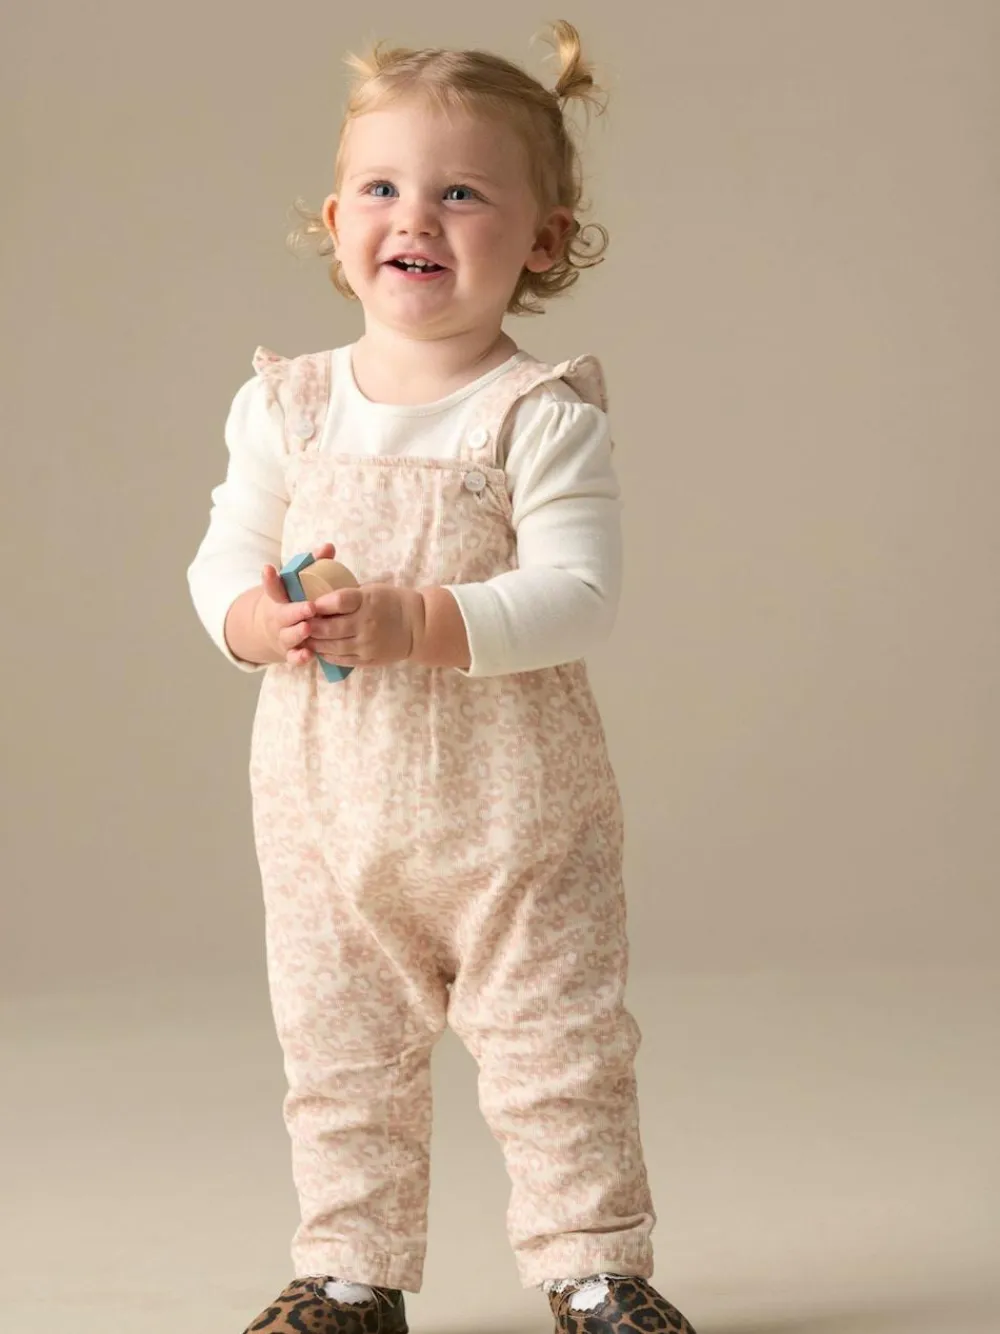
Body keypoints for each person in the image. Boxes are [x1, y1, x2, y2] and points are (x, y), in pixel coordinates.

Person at [188, 20, 697, 1334]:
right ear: (335, 221)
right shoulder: (288, 405)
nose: (416, 216)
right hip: (326, 813)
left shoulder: (537, 414)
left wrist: (418, 619)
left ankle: (593, 1267)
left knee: (557, 1047)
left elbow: (581, 594)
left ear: (544, 241)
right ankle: (350, 1271)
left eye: (462, 192)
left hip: (515, 814)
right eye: (382, 187)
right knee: (338, 1051)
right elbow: (222, 555)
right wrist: (251, 619)